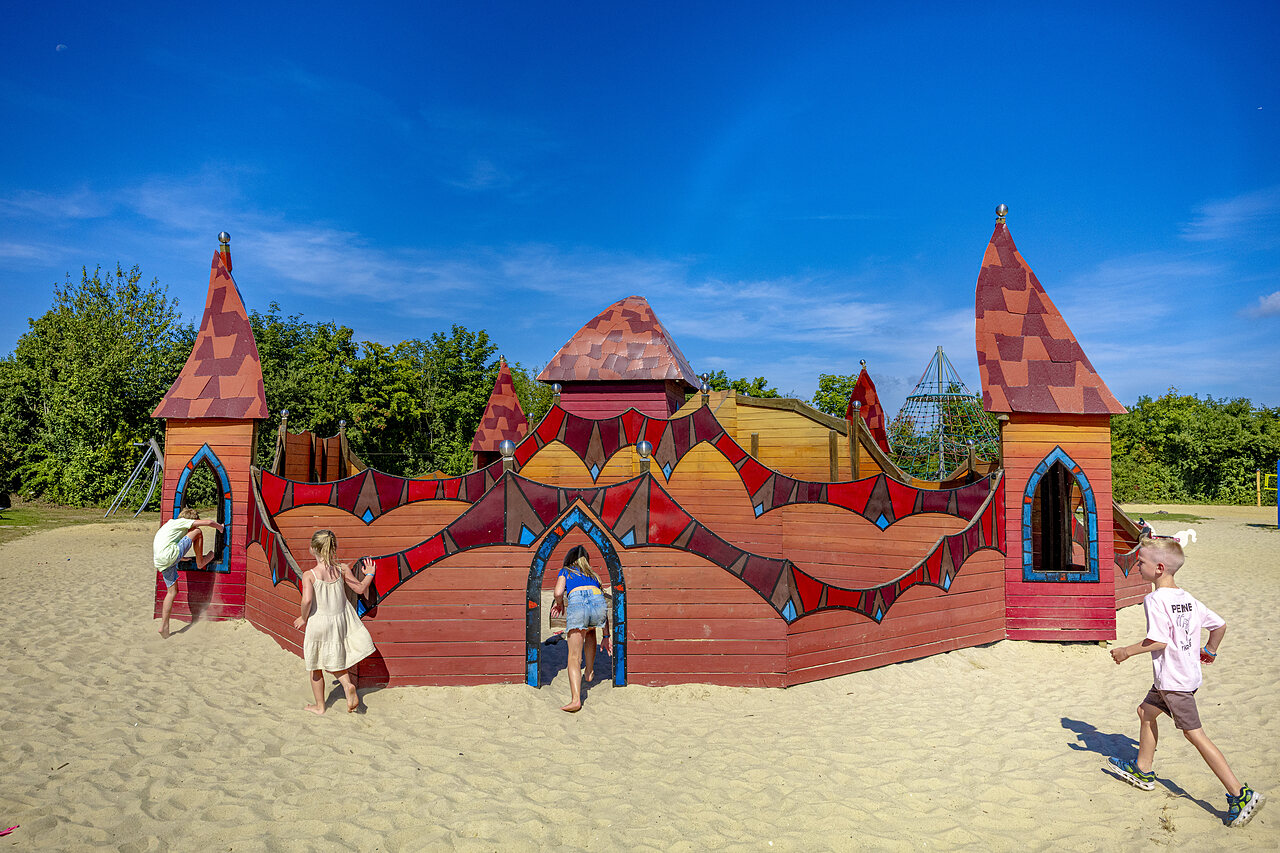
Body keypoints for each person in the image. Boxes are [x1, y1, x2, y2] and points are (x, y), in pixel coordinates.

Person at [1106, 536, 1265, 828]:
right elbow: (1219, 625)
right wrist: (1210, 651)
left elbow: (1159, 641)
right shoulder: (1187, 598)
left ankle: (1240, 794)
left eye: (1141, 562)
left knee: (1195, 735)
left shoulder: (1154, 599)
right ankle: (1143, 769)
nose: (1137, 565)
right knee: (1145, 712)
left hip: (1173, 682)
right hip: (1185, 676)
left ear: (1159, 568)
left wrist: (1126, 651)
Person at [293, 529, 377, 715]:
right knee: (334, 658)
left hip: (318, 622)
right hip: (339, 621)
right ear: (334, 548)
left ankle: (320, 706)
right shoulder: (342, 569)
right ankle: (347, 686)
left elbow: (307, 600)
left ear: (312, 549)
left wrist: (303, 617)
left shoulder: (310, 575)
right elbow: (360, 589)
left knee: (315, 667)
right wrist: (370, 574)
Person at [548, 545, 611, 713]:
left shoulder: (566, 571)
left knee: (574, 657)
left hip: (578, 606)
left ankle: (576, 700)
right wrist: (606, 636)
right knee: (590, 630)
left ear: (569, 559)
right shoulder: (593, 575)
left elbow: (558, 592)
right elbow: (602, 603)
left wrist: (559, 603)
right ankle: (589, 671)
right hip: (598, 606)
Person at [152, 507, 224, 638]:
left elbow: (167, 543)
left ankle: (164, 626)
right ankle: (201, 562)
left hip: (161, 561)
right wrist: (221, 528)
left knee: (172, 592)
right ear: (190, 521)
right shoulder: (183, 522)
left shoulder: (169, 525)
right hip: (169, 556)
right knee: (198, 532)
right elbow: (208, 522)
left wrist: (180, 558)